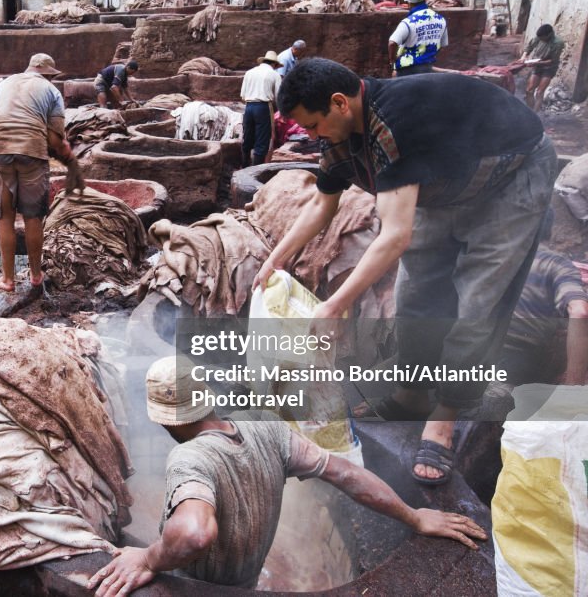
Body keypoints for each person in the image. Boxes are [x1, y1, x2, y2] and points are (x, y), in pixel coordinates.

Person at [256, 58, 557, 486]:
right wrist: (276, 260)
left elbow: (394, 237)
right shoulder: (341, 134)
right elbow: (323, 204)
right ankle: (412, 394)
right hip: (445, 181)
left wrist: (337, 304)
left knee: (477, 302)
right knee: (416, 294)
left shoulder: (393, 126)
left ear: (340, 103)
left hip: (511, 176)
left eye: (315, 125)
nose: (313, 136)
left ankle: (447, 412)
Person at [88, 359, 487, 595]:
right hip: (246, 580)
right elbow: (346, 473)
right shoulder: (265, 427)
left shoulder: (188, 460)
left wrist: (149, 556)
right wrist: (415, 516)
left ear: (162, 419)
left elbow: (194, 533)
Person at [0, 53, 84, 292]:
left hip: (0, 150)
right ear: (46, 73)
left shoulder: (4, 83)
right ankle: (36, 276)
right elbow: (55, 139)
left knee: (4, 217)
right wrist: (67, 156)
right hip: (32, 153)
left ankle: (8, 281)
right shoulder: (52, 91)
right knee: (32, 217)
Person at [500, 246, 588, 387]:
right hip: (515, 362)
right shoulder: (555, 263)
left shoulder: (481, 256)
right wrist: (574, 389)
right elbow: (580, 312)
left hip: (468, 356)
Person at [388, 0, 448, 76]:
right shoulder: (441, 19)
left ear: (410, 3)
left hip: (407, 69)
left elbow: (392, 43)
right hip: (428, 68)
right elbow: (443, 45)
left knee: (395, 76)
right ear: (425, 0)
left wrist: (393, 59)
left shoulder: (408, 22)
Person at [239, 50, 282, 167]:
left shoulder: (249, 72)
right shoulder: (275, 74)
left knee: (248, 135)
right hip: (263, 107)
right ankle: (256, 168)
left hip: (249, 106)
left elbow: (242, 95)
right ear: (275, 64)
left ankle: (244, 165)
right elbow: (278, 96)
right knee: (262, 138)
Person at [520, 23, 565, 113]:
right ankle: (530, 111)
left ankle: (535, 114)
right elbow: (529, 47)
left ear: (549, 35)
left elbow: (552, 60)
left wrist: (538, 63)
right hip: (537, 65)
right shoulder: (538, 37)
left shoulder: (558, 43)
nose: (541, 40)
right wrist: (523, 57)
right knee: (529, 90)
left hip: (549, 67)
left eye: (543, 38)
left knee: (540, 92)